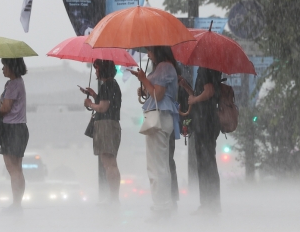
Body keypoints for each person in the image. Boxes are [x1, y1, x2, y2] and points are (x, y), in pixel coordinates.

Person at [131, 46, 181, 218]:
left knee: (156, 166)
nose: (148, 54)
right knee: (161, 165)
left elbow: (158, 94)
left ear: (159, 51)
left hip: (159, 118)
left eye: (150, 51)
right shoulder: (167, 67)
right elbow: (155, 91)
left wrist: (144, 79)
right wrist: (144, 86)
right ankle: (164, 204)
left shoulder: (164, 67)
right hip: (164, 117)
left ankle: (162, 205)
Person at [0, 58, 29, 212]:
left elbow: (5, 109)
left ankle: (16, 205)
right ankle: (17, 203)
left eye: (4, 65)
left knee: (13, 169)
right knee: (18, 168)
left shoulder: (12, 84)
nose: (3, 69)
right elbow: (5, 105)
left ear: (12, 67)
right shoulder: (18, 83)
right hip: (20, 128)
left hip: (11, 130)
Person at [179, 67, 222, 214]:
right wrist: (187, 87)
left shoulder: (205, 69)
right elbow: (201, 93)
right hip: (208, 120)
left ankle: (209, 204)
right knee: (206, 162)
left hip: (205, 121)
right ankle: (210, 202)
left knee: (205, 163)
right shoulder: (211, 69)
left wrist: (195, 99)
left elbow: (208, 92)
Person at [82, 59, 122, 207]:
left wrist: (90, 104)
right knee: (110, 162)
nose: (96, 71)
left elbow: (103, 108)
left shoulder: (107, 86)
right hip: (112, 125)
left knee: (109, 163)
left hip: (106, 126)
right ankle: (113, 197)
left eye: (97, 68)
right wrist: (94, 95)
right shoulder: (113, 85)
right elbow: (107, 104)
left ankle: (113, 198)